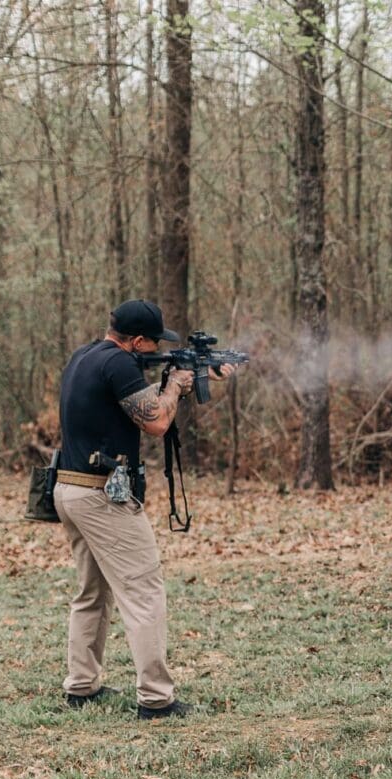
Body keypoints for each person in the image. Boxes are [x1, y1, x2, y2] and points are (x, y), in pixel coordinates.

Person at [54, 300, 229, 719]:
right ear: (135, 341)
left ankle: (81, 686)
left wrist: (192, 375)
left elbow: (133, 397)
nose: (155, 351)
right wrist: (176, 387)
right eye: (151, 344)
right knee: (145, 592)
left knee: (91, 593)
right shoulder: (119, 366)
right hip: (102, 496)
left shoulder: (86, 356)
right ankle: (155, 698)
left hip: (70, 488)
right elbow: (155, 421)